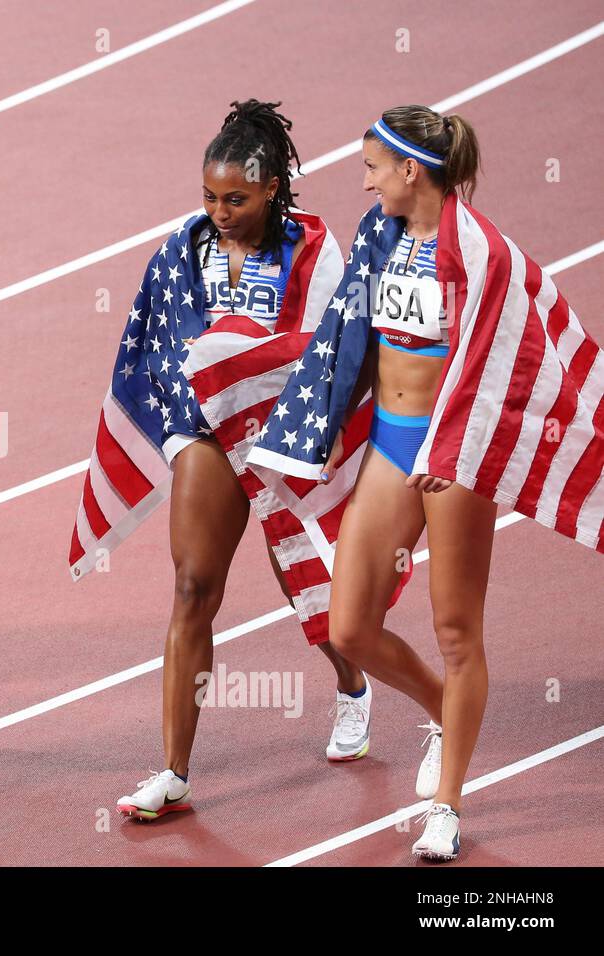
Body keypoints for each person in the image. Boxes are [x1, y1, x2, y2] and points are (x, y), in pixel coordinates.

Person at [247, 105, 604, 861]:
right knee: (349, 628)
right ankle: (447, 711)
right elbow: (346, 339)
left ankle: (447, 805)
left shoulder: (481, 254)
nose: (366, 177)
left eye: (375, 165)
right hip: (390, 445)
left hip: (457, 455)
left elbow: (500, 362)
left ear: (413, 170)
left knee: (454, 630)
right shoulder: (380, 236)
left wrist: (457, 455)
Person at [70, 101, 389, 822]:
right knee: (191, 589)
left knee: (307, 584)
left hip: (284, 430)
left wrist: (323, 425)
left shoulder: (314, 248)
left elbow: (332, 343)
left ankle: (351, 687)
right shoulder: (184, 248)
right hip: (207, 434)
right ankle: (174, 772)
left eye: (236, 199)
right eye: (210, 197)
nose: (220, 211)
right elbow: (152, 339)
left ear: (273, 186)